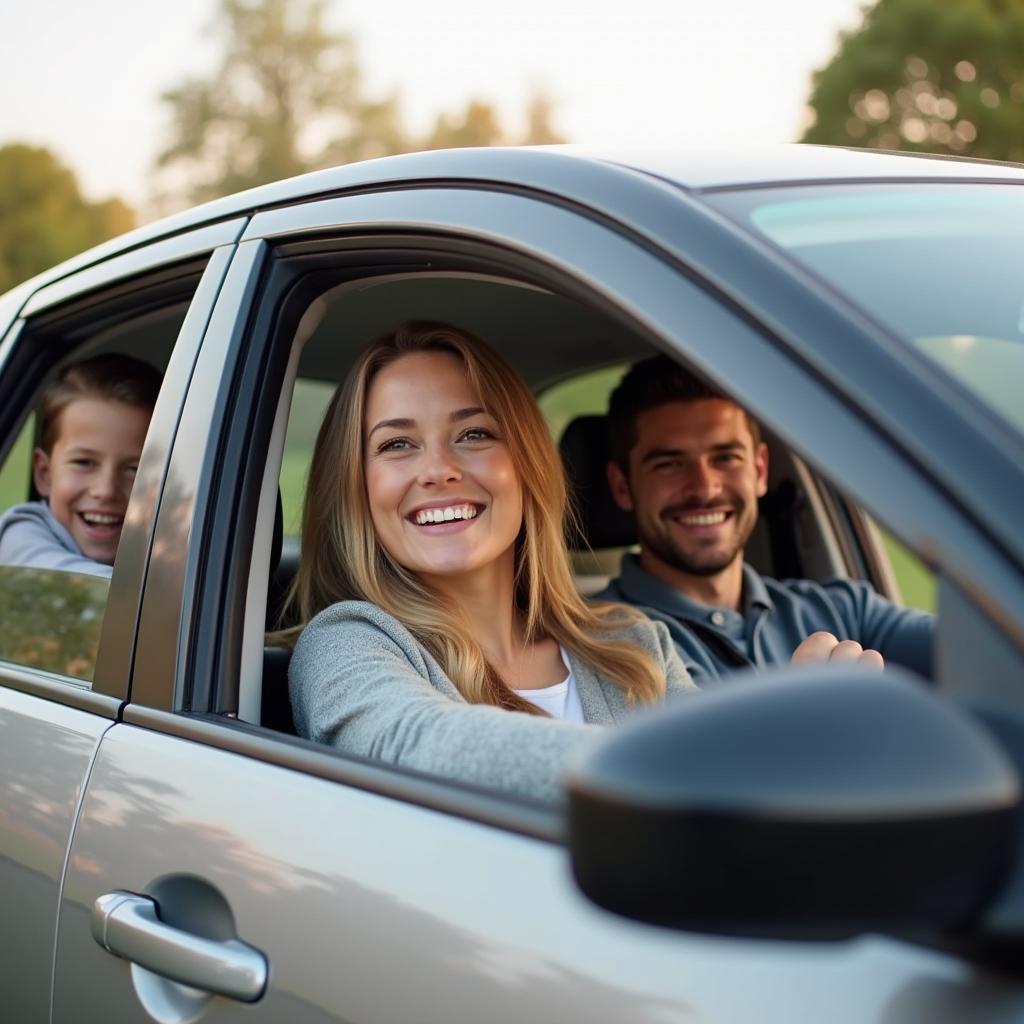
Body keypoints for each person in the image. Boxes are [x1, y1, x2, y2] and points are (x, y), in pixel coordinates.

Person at [284, 323, 696, 803]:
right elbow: (417, 747)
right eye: (397, 444)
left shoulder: (637, 645)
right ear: (356, 487)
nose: (439, 470)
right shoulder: (345, 644)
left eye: (474, 433)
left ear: (526, 465)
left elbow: (737, 780)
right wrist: (671, 767)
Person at [597, 355, 934, 685]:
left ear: (759, 471)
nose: (704, 488)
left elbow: (974, 652)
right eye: (669, 464)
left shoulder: (844, 610)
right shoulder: (600, 640)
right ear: (622, 486)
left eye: (726, 457)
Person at [0, 353, 161, 579]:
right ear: (45, 474)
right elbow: (75, 586)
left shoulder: (161, 543)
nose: (106, 491)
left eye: (135, 469)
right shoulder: (20, 535)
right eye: (84, 463)